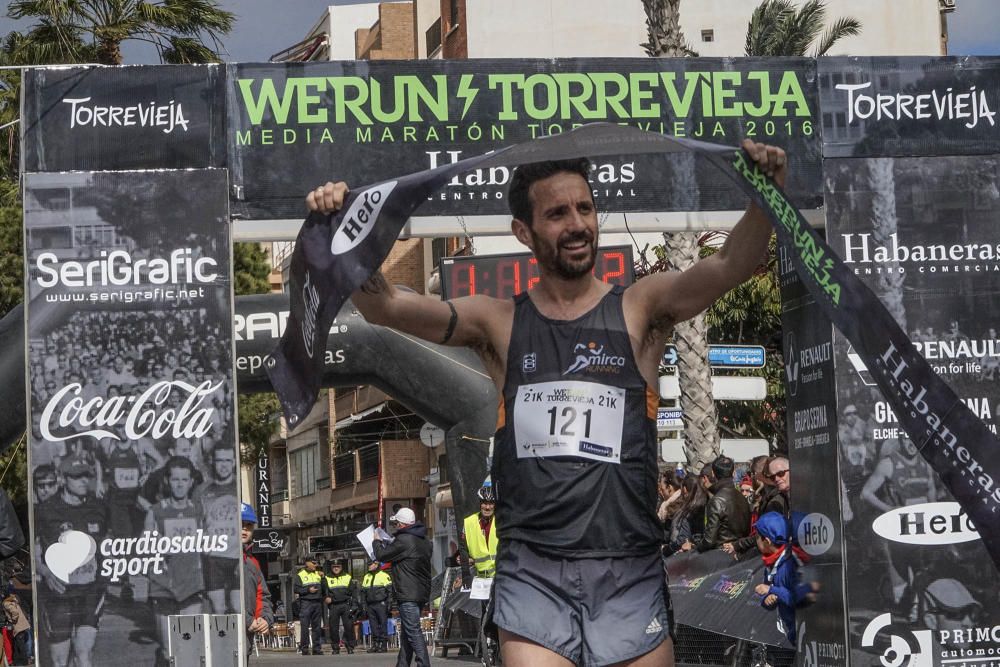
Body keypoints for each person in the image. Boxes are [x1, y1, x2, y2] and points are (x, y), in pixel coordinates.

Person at [309, 139, 787, 666]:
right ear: (524, 232)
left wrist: (766, 192)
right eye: (557, 213)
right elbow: (384, 307)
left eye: (585, 208)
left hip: (626, 568)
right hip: (533, 571)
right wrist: (343, 227)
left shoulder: (639, 308)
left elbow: (727, 265)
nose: (577, 223)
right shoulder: (498, 322)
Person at [33, 455, 107, 667]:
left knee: (84, 653)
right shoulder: (46, 511)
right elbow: (34, 550)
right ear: (63, 479)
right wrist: (46, 573)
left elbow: (107, 544)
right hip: (59, 593)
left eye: (87, 476)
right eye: (77, 477)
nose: (84, 481)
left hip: (90, 590)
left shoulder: (99, 507)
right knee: (59, 660)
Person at [144, 456, 205, 667]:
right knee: (169, 650)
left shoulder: (198, 510)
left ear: (191, 482)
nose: (180, 484)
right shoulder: (156, 512)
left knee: (188, 649)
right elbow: (146, 548)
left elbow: (208, 543)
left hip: (191, 586)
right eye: (176, 479)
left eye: (184, 479)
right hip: (164, 587)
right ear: (168, 481)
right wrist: (158, 543)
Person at [373, 507, 432, 667]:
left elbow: (381, 555)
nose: (395, 527)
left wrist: (376, 540)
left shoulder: (405, 540)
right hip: (420, 592)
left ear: (401, 524)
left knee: (413, 631)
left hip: (407, 593)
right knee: (407, 633)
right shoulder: (424, 541)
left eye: (396, 524)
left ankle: (424, 664)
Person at [196, 445, 242, 615]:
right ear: (213, 462)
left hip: (236, 557)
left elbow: (251, 524)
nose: (223, 465)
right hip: (213, 558)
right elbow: (197, 526)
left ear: (234, 462)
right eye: (219, 460)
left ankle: (238, 641)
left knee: (238, 607)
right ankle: (220, 642)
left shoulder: (240, 487)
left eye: (227, 460)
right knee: (218, 608)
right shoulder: (202, 491)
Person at [752, 512, 810, 644]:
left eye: (757, 536)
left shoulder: (790, 564)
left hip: (806, 633)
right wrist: (767, 599)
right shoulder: (771, 561)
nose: (755, 539)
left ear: (767, 541)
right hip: (792, 631)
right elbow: (768, 592)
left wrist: (773, 590)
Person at [690, 455, 751, 552]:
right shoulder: (742, 498)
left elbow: (709, 541)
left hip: (720, 555)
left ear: (713, 474)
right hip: (740, 552)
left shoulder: (716, 500)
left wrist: (694, 547)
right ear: (734, 472)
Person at [239, 503, 273, 665]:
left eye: (248, 526)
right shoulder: (219, 558)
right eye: (240, 525)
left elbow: (263, 595)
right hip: (223, 637)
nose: (244, 530)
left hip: (245, 639)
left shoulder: (253, 562)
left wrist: (265, 619)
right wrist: (247, 620)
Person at [458, 485, 499, 588]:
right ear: (480, 504)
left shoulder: (501, 521)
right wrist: (465, 573)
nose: (487, 507)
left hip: (501, 578)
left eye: (491, 503)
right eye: (485, 503)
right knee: (485, 604)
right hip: (482, 580)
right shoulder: (469, 522)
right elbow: (463, 550)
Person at [323, 559, 355, 654]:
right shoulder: (327, 578)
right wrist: (326, 598)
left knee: (348, 626)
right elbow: (323, 592)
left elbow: (351, 593)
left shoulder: (347, 577)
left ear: (341, 567)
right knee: (333, 628)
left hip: (345, 604)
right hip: (333, 606)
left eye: (338, 567)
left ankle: (350, 646)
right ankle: (335, 648)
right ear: (331, 567)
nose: (336, 568)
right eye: (334, 567)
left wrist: (333, 598)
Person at [294, 555, 325, 655]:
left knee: (317, 627)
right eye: (314, 563)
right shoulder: (300, 575)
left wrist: (323, 578)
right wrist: (308, 590)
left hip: (317, 602)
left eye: (316, 563)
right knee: (305, 626)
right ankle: (305, 648)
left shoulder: (318, 574)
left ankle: (316, 648)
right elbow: (296, 589)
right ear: (307, 563)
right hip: (306, 602)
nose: (316, 565)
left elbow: (324, 588)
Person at [360, 560, 392, 654]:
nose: (369, 566)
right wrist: (363, 605)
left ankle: (383, 645)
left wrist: (389, 604)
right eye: (368, 564)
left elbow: (390, 591)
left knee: (383, 624)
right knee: (373, 625)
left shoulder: (384, 575)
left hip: (381, 603)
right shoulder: (366, 576)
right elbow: (363, 593)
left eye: (371, 564)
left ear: (376, 565)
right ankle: (375, 644)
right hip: (370, 605)